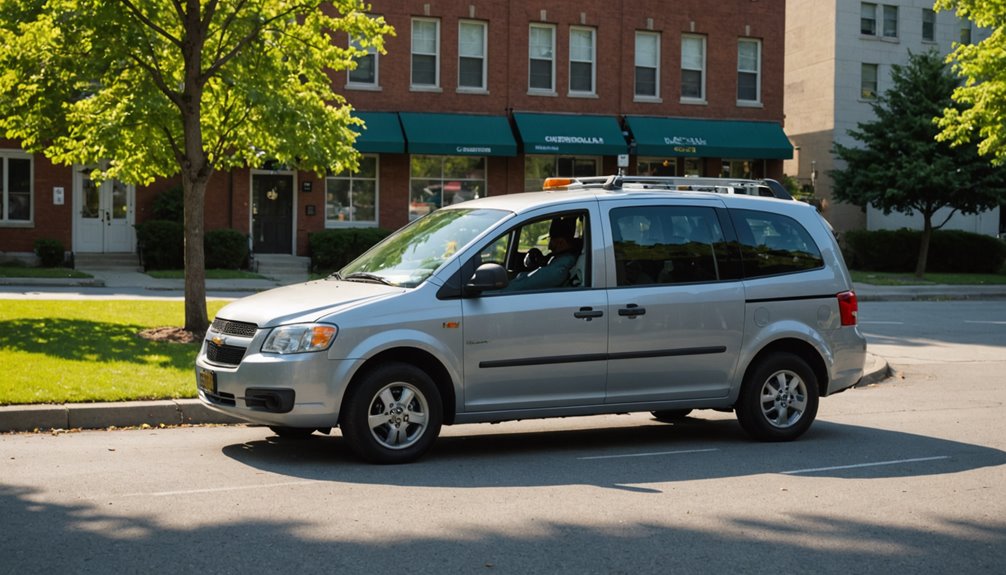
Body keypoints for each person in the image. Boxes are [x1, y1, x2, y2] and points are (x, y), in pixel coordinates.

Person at [502, 217, 580, 291]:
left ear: (561, 242)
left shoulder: (558, 269)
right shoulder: (564, 260)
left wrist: (498, 289)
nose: (549, 247)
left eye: (551, 240)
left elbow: (521, 285)